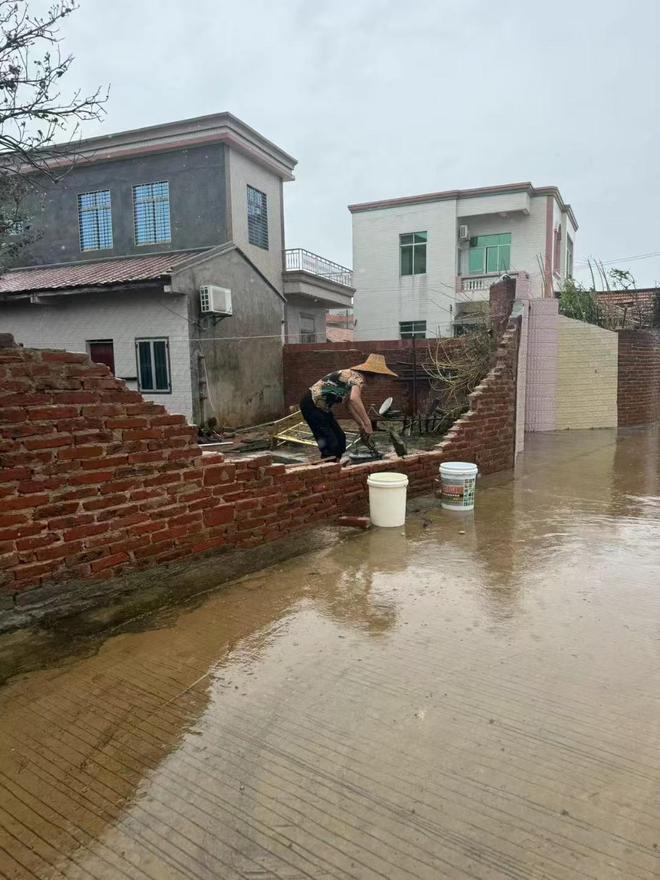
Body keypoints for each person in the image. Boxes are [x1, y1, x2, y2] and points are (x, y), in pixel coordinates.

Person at [299, 353, 398, 461]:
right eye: (379, 378)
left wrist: (361, 425)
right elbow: (354, 398)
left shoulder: (353, 378)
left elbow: (349, 404)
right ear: (373, 374)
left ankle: (336, 465)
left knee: (341, 439)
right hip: (311, 405)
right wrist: (367, 423)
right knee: (330, 443)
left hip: (323, 408)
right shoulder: (357, 377)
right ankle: (328, 470)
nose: (378, 381)